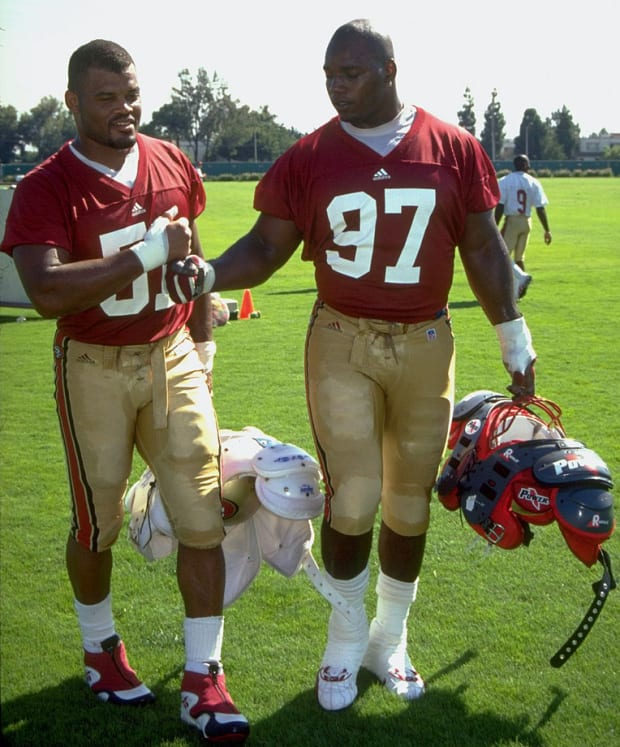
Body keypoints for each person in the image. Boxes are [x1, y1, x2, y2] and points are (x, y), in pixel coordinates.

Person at [192, 19, 537, 711]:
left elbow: (482, 251)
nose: (336, 86)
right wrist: (207, 273)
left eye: (350, 73)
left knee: (409, 506)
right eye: (328, 74)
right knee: (353, 498)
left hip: (426, 341)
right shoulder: (310, 154)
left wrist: (515, 340)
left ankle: (389, 636)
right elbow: (266, 246)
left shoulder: (452, 147)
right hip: (342, 340)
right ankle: (345, 640)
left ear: (389, 68)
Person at [0, 40, 248, 743]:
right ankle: (100, 647)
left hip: (170, 352)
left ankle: (205, 676)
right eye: (106, 97)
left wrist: (202, 340)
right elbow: (45, 288)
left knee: (203, 512)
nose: (124, 108)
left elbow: (192, 251)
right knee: (97, 522)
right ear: (73, 101)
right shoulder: (48, 184)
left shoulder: (168, 157)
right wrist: (143, 255)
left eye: (131, 93)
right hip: (94, 365)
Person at [495, 154, 553, 296]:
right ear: (526, 165)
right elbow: (540, 208)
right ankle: (516, 293)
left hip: (512, 221)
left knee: (501, 256)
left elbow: (500, 206)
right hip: (527, 221)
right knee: (519, 258)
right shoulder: (534, 182)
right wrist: (547, 230)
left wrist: (494, 226)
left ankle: (520, 278)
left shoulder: (505, 181)